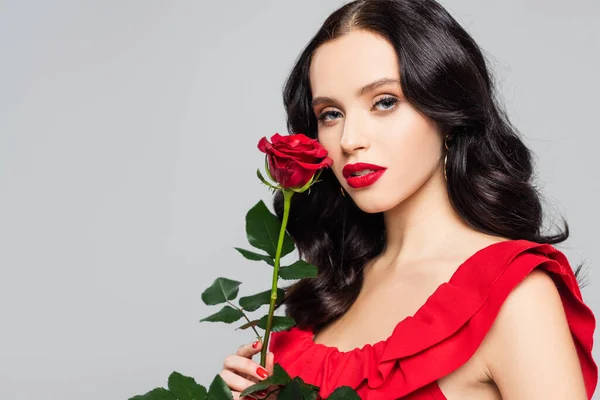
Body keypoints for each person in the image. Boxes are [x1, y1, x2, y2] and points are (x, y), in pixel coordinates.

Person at [219, 0, 598, 398]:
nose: (350, 140)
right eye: (331, 114)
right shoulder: (329, 289)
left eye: (384, 101)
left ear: (447, 112)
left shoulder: (515, 296)